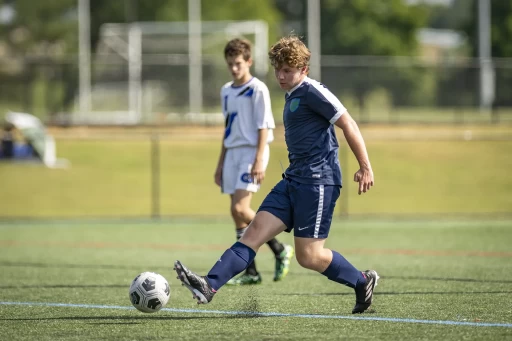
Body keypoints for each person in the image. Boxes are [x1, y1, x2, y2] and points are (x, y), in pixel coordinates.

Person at [174, 35, 378, 314]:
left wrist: (365, 165)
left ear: (303, 70)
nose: (281, 76)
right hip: (293, 180)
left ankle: (362, 280)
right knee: (253, 232)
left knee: (309, 256)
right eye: (278, 69)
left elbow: (348, 123)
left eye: (287, 71)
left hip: (318, 182)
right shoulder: (291, 94)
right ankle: (208, 286)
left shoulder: (312, 91)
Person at [214, 38, 294, 286]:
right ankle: (251, 271)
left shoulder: (257, 88)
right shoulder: (226, 90)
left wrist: (259, 159)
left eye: (238, 63)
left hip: (251, 153)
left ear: (248, 61)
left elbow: (264, 126)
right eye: (230, 64)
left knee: (240, 208)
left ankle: (280, 248)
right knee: (236, 214)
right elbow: (228, 129)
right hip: (232, 153)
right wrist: (220, 163)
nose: (234, 69)